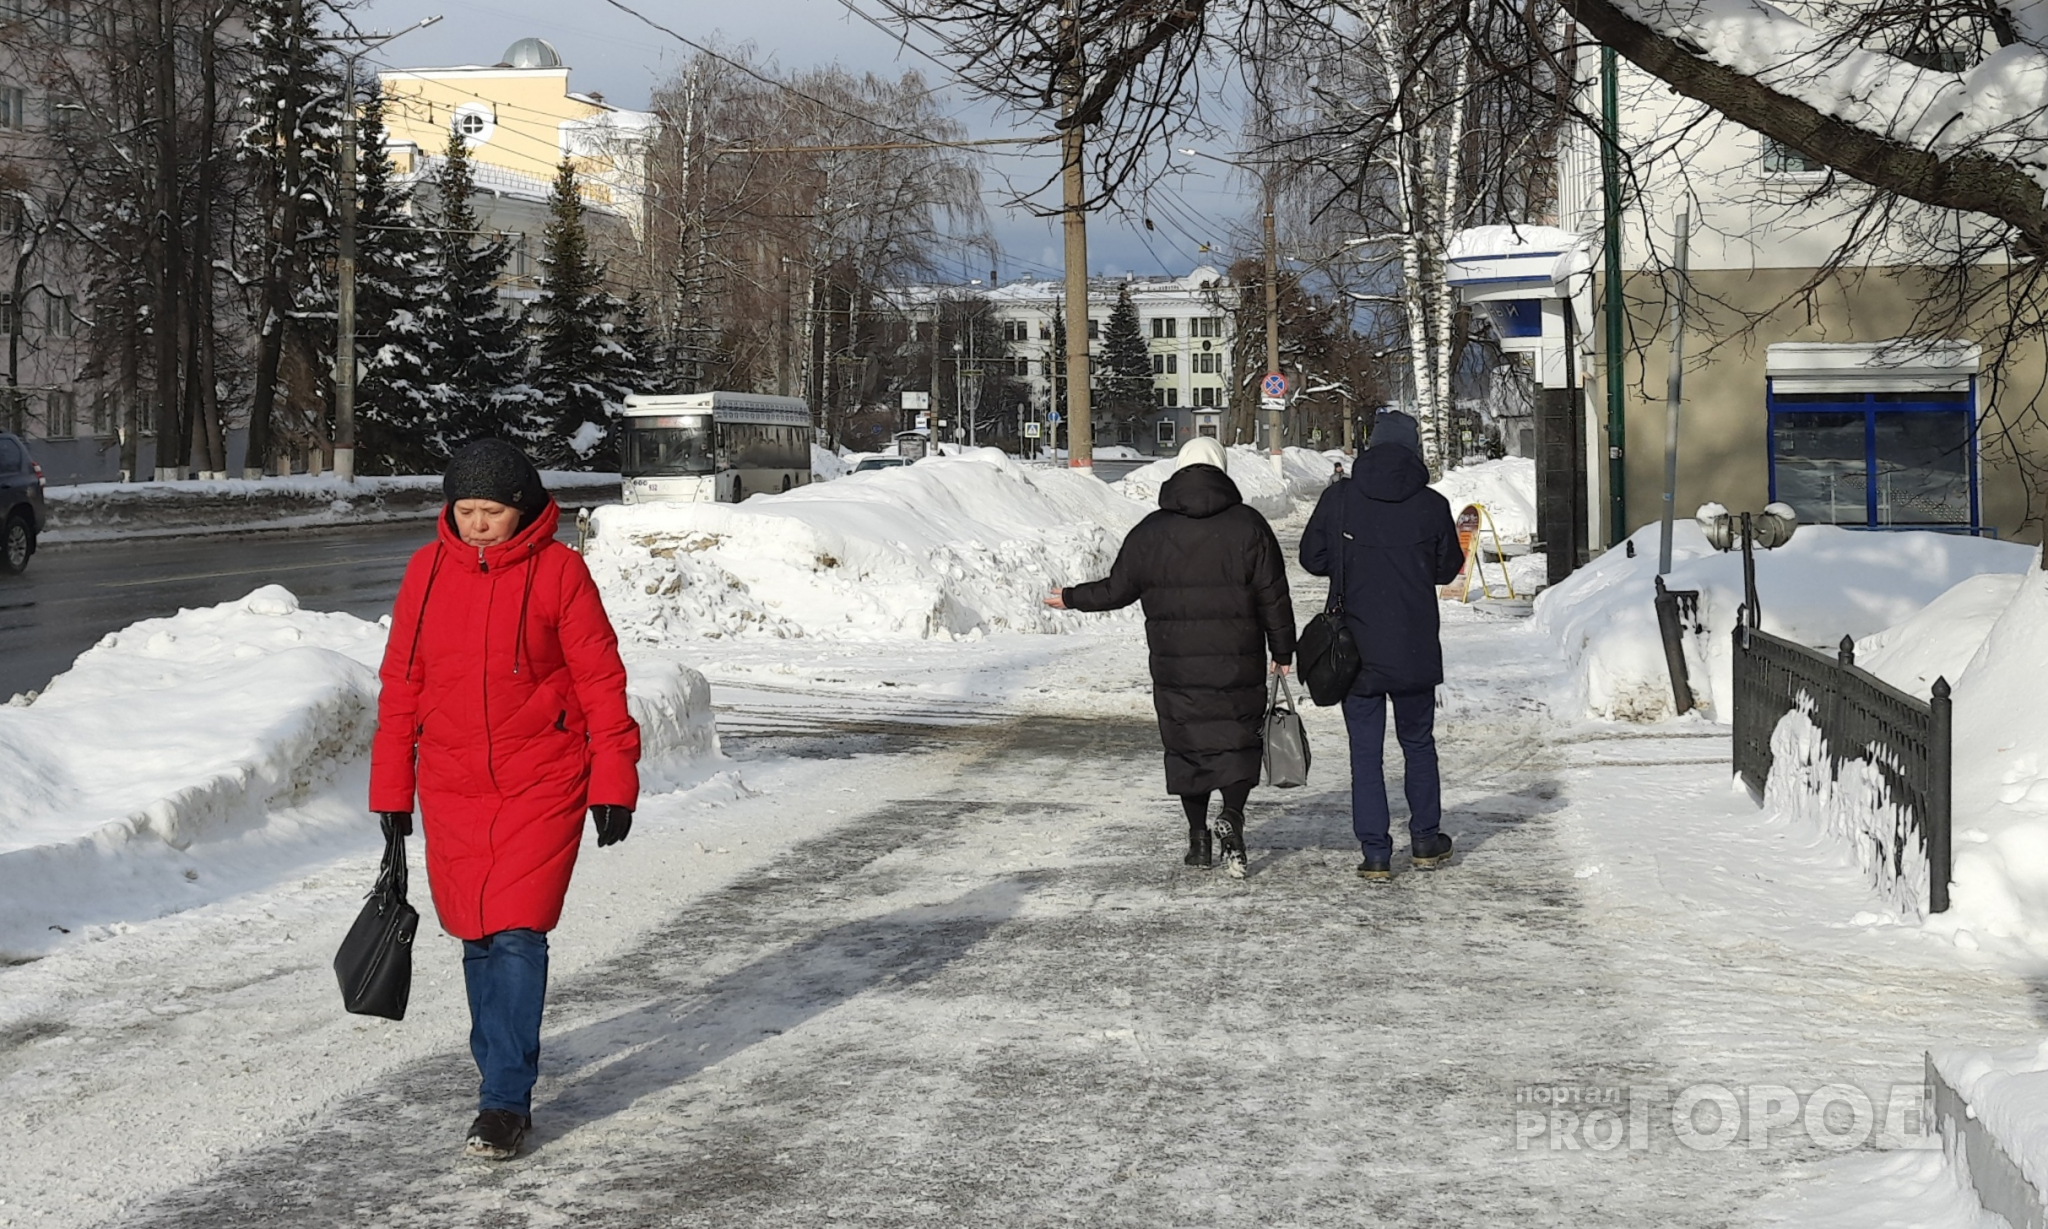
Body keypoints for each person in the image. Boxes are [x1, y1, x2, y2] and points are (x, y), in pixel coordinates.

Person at [370, 438, 641, 1160]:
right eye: (465, 510)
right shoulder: (426, 573)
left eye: (490, 511)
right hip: (453, 784)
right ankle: (497, 1069)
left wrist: (613, 778)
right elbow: (402, 687)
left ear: (521, 510)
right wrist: (393, 788)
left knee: (518, 928)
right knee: (477, 933)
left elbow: (599, 679)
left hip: (541, 779)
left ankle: (503, 1099)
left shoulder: (560, 572)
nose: (477, 525)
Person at [1047, 436, 1296, 878]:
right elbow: (1273, 595)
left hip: (1175, 664)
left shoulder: (1151, 531)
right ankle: (1233, 818)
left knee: (1188, 747)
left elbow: (1116, 590)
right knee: (1237, 743)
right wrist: (1282, 649)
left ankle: (1198, 840)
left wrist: (1070, 597)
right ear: (1222, 470)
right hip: (1236, 662)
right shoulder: (1249, 526)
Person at [1301, 410, 1464, 882]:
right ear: (1414, 450)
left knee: (1365, 753)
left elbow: (1312, 559)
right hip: (1413, 646)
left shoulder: (1340, 499)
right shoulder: (1432, 504)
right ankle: (1426, 841)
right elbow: (1446, 569)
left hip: (1354, 649)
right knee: (1418, 743)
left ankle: (1375, 851)